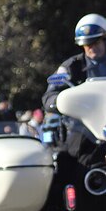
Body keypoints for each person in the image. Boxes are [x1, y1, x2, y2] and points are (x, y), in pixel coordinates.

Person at [42, 13, 106, 166]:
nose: (91, 48)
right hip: (83, 131)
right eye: (87, 44)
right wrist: (61, 101)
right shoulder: (71, 67)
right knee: (69, 163)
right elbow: (49, 96)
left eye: (95, 42)